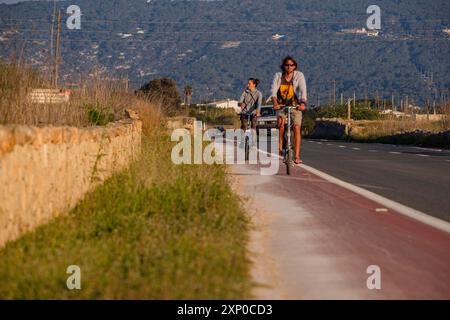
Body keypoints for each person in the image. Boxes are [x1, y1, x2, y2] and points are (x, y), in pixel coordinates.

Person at [270, 56, 307, 164]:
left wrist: (303, 103)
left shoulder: (299, 75)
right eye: (287, 65)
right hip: (281, 105)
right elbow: (273, 91)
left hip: (296, 105)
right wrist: (275, 103)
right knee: (281, 124)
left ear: (295, 66)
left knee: (296, 127)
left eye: (291, 65)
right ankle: (280, 147)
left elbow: (302, 90)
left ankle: (296, 156)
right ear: (283, 66)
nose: (289, 67)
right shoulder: (278, 76)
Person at [238, 78, 263, 146]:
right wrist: (241, 104)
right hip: (244, 112)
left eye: (249, 83)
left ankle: (254, 143)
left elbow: (259, 104)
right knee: (243, 126)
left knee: (253, 126)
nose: (247, 85)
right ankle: (242, 141)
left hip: (254, 112)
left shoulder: (258, 94)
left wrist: (258, 112)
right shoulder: (245, 92)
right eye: (248, 83)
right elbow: (240, 102)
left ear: (254, 85)